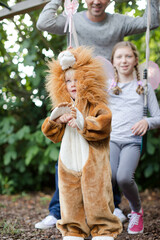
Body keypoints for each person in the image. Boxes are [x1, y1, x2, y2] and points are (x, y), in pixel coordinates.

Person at [35, 0, 159, 229]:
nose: (97, 1)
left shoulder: (119, 22)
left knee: (105, 155)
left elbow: (151, 20)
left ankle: (111, 207)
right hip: (80, 92)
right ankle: (57, 210)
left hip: (110, 94)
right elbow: (44, 22)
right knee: (70, 150)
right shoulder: (75, 18)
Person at [41, 46, 122, 240]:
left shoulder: (96, 105)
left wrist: (82, 122)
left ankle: (103, 229)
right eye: (68, 81)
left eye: (77, 79)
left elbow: (103, 125)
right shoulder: (64, 105)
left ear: (88, 79)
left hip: (92, 162)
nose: (73, 84)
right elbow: (52, 133)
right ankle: (74, 229)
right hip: (69, 160)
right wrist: (55, 121)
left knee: (97, 196)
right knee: (70, 196)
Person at [108, 41, 160, 234]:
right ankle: (105, 214)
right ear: (112, 61)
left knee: (123, 177)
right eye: (119, 57)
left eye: (128, 56)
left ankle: (137, 211)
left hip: (132, 141)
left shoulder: (144, 87)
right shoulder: (108, 87)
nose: (124, 60)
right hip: (111, 140)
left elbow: (158, 117)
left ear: (136, 60)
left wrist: (147, 122)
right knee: (109, 175)